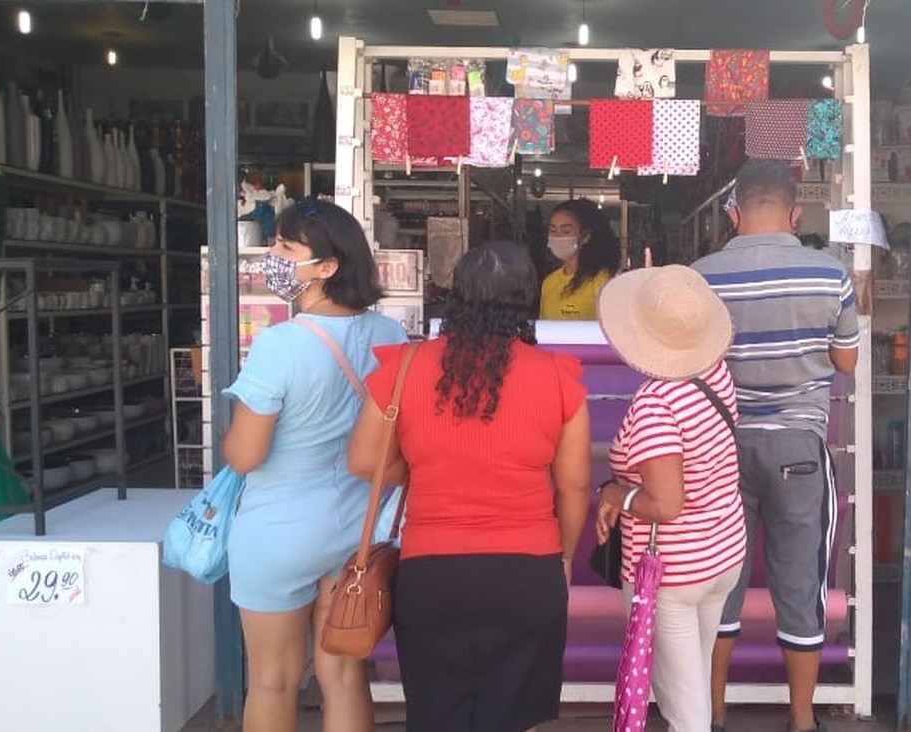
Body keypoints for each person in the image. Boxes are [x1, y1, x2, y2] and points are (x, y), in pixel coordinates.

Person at [348, 241, 592, 732]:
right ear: (527, 300)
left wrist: (424, 466)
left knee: (438, 714)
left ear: (456, 295)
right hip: (528, 571)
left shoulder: (404, 366)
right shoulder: (559, 377)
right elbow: (574, 486)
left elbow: (363, 461)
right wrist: (561, 558)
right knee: (516, 715)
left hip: (431, 571)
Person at [221, 198, 408, 732]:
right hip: (357, 531)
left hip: (279, 530)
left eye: (285, 246)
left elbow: (245, 454)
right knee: (346, 677)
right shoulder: (389, 337)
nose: (272, 255)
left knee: (273, 680)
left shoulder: (279, 345)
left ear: (327, 266)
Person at [692, 159, 859, 732]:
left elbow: (690, 363)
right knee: (799, 584)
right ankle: (802, 719)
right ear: (795, 212)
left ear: (733, 211)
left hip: (718, 448)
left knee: (717, 582)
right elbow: (847, 360)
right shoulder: (829, 272)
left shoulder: (700, 276)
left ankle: (710, 713)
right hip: (798, 447)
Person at [594, 264, 747, 732]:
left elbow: (666, 505)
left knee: (684, 708)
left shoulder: (657, 402)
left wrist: (617, 494)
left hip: (673, 572)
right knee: (692, 682)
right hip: (722, 553)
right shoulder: (714, 372)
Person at [539, 198, 620, 320]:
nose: (557, 236)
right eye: (553, 230)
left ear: (585, 236)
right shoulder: (549, 283)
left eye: (566, 231)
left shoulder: (603, 281)